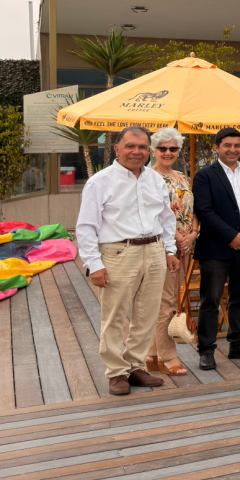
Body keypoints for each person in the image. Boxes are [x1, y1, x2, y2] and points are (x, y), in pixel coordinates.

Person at [76, 126, 180, 395]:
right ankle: (116, 372)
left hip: (154, 251)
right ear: (117, 148)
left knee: (147, 314)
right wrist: (94, 264)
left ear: (149, 150)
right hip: (118, 253)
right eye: (130, 146)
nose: (137, 151)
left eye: (143, 147)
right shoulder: (100, 181)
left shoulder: (155, 179)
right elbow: (86, 227)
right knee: (114, 316)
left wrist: (170, 251)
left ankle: (135, 366)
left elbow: (166, 218)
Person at [192, 127, 240, 370]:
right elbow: (204, 210)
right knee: (210, 300)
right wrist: (231, 236)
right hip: (215, 248)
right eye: (227, 145)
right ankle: (206, 350)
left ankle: (238, 344)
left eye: (237, 145)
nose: (233, 150)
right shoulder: (205, 176)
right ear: (217, 147)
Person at [145, 127, 199, 377]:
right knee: (166, 303)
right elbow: (155, 213)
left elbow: (192, 209)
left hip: (185, 245)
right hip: (164, 246)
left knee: (169, 300)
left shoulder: (181, 176)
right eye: (163, 148)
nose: (168, 152)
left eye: (173, 148)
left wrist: (193, 233)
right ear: (153, 150)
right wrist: (179, 238)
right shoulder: (148, 177)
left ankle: (151, 355)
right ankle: (168, 357)